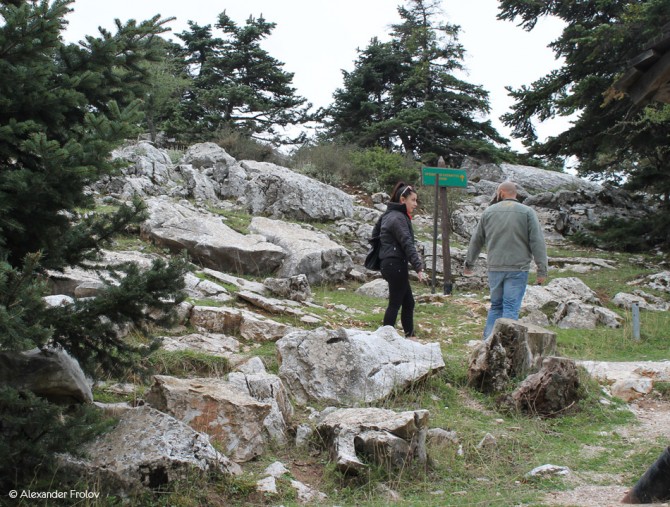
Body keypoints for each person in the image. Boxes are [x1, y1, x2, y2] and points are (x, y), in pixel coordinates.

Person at [464, 180, 548, 339]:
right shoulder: (527, 212)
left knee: (496, 306)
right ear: (515, 193)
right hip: (518, 268)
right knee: (510, 307)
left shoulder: (488, 212)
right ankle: (505, 345)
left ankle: (487, 343)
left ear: (501, 193)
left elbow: (476, 240)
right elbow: (537, 242)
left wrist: (469, 264)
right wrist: (542, 270)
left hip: (495, 267)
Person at [372, 181, 425, 338]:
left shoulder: (388, 215)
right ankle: (385, 338)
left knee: (408, 302)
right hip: (396, 264)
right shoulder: (398, 218)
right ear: (403, 200)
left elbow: (375, 236)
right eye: (413, 200)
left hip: (388, 263)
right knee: (395, 303)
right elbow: (407, 243)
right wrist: (418, 267)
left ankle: (410, 337)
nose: (415, 204)